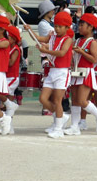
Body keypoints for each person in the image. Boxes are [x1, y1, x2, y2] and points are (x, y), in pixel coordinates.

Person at [32, 11, 73, 139]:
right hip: (52, 71)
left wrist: (46, 50)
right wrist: (29, 30)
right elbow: (39, 39)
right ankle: (60, 118)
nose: (57, 28)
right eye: (55, 26)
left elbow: (61, 53)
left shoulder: (68, 39)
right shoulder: (53, 36)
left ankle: (58, 128)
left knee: (57, 100)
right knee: (43, 99)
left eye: (60, 26)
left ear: (67, 27)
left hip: (62, 72)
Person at [65, 13, 97, 135]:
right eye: (79, 24)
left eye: (82, 24)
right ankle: (74, 126)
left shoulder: (92, 42)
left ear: (90, 27)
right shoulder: (78, 40)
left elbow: (94, 60)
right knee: (74, 100)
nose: (79, 27)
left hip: (86, 72)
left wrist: (82, 52)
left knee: (82, 100)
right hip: (76, 72)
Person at [0, 25, 21, 133]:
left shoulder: (16, 49)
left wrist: (1, 59)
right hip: (6, 76)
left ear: (14, 39)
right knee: (8, 101)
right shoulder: (7, 47)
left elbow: (11, 62)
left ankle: (9, 123)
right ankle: (9, 126)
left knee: (1, 94)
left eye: (9, 37)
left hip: (12, 77)